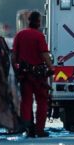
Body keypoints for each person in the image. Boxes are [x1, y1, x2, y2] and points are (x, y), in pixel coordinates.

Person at [13, 9, 53, 137]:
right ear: (38, 22)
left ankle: (28, 128)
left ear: (28, 21)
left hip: (25, 76)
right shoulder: (39, 36)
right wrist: (51, 68)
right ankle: (40, 130)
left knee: (26, 101)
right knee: (42, 101)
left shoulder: (20, 35)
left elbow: (14, 56)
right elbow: (45, 54)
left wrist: (15, 69)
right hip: (39, 76)